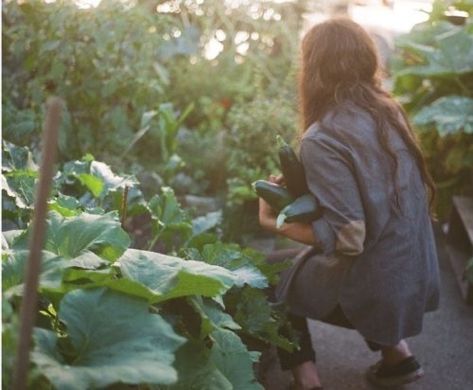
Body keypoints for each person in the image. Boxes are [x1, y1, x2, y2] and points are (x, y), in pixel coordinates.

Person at [258, 17, 440, 389]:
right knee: (364, 260)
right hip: (412, 278)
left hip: (378, 288)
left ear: (313, 68)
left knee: (268, 273)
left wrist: (278, 224)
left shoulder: (322, 138)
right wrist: (302, 183)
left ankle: (306, 379)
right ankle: (398, 359)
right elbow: (371, 196)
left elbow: (350, 236)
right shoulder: (388, 113)